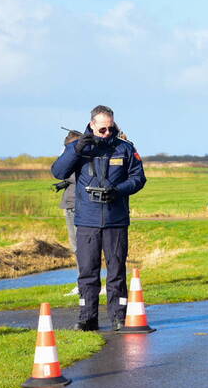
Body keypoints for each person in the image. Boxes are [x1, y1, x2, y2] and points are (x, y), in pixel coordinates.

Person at [51, 105, 146, 331]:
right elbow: (58, 172)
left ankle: (118, 317)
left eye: (109, 129)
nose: (106, 133)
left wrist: (118, 190)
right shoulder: (77, 147)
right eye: (102, 129)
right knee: (87, 272)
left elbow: (138, 178)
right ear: (92, 125)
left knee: (116, 271)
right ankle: (87, 318)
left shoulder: (124, 148)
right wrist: (76, 151)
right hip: (87, 221)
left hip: (116, 219)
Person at [52, 130, 81, 296]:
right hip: (71, 203)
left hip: (78, 205)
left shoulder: (80, 156)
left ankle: (85, 283)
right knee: (77, 247)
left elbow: (73, 174)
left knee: (80, 247)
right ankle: (84, 282)